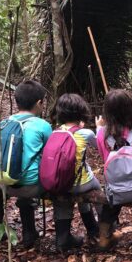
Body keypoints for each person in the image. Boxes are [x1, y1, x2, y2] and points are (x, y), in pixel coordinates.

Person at [0, 80, 52, 249]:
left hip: (3, 182)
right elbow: (50, 154)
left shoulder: (3, 123)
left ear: (16, 101)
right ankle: (29, 233)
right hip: (31, 186)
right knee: (30, 178)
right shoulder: (42, 125)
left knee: (8, 187)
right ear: (39, 103)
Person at [95, 89, 132, 251]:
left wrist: (99, 128)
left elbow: (103, 157)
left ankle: (104, 238)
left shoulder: (101, 134)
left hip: (114, 185)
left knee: (109, 207)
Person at [51, 93, 100, 252]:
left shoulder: (55, 132)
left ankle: (63, 238)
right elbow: (100, 146)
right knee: (96, 185)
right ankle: (101, 227)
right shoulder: (85, 133)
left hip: (59, 182)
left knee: (63, 195)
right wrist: (99, 129)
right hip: (81, 183)